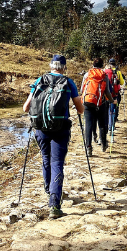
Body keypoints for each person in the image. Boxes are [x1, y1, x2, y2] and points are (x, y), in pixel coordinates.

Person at [22, 54, 83, 220]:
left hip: (40, 128)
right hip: (61, 128)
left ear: (51, 66)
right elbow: (80, 109)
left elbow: (26, 108)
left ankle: (49, 190)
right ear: (64, 67)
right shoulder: (68, 82)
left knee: (45, 158)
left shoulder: (39, 80)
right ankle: (54, 204)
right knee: (57, 162)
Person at [81, 57, 116, 155]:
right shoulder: (104, 75)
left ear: (93, 65)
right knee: (101, 123)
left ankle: (88, 148)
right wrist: (112, 101)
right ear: (102, 65)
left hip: (88, 102)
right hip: (101, 103)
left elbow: (81, 90)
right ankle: (103, 144)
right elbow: (107, 92)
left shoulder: (87, 74)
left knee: (88, 125)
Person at [104, 58, 126, 124]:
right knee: (115, 107)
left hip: (105, 93)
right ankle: (113, 121)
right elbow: (122, 83)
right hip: (115, 93)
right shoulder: (118, 72)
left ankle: (107, 122)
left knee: (106, 108)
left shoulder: (105, 71)